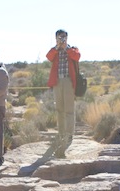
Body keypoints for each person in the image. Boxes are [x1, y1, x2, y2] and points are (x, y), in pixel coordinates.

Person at [46, 29, 81, 158]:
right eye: (59, 37)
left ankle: (69, 133)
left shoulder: (72, 49)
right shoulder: (54, 50)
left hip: (68, 81)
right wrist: (57, 47)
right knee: (59, 109)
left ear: (67, 37)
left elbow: (77, 57)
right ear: (55, 38)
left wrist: (66, 47)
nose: (62, 39)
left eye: (64, 37)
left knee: (69, 109)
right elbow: (48, 57)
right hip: (57, 81)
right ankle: (61, 133)